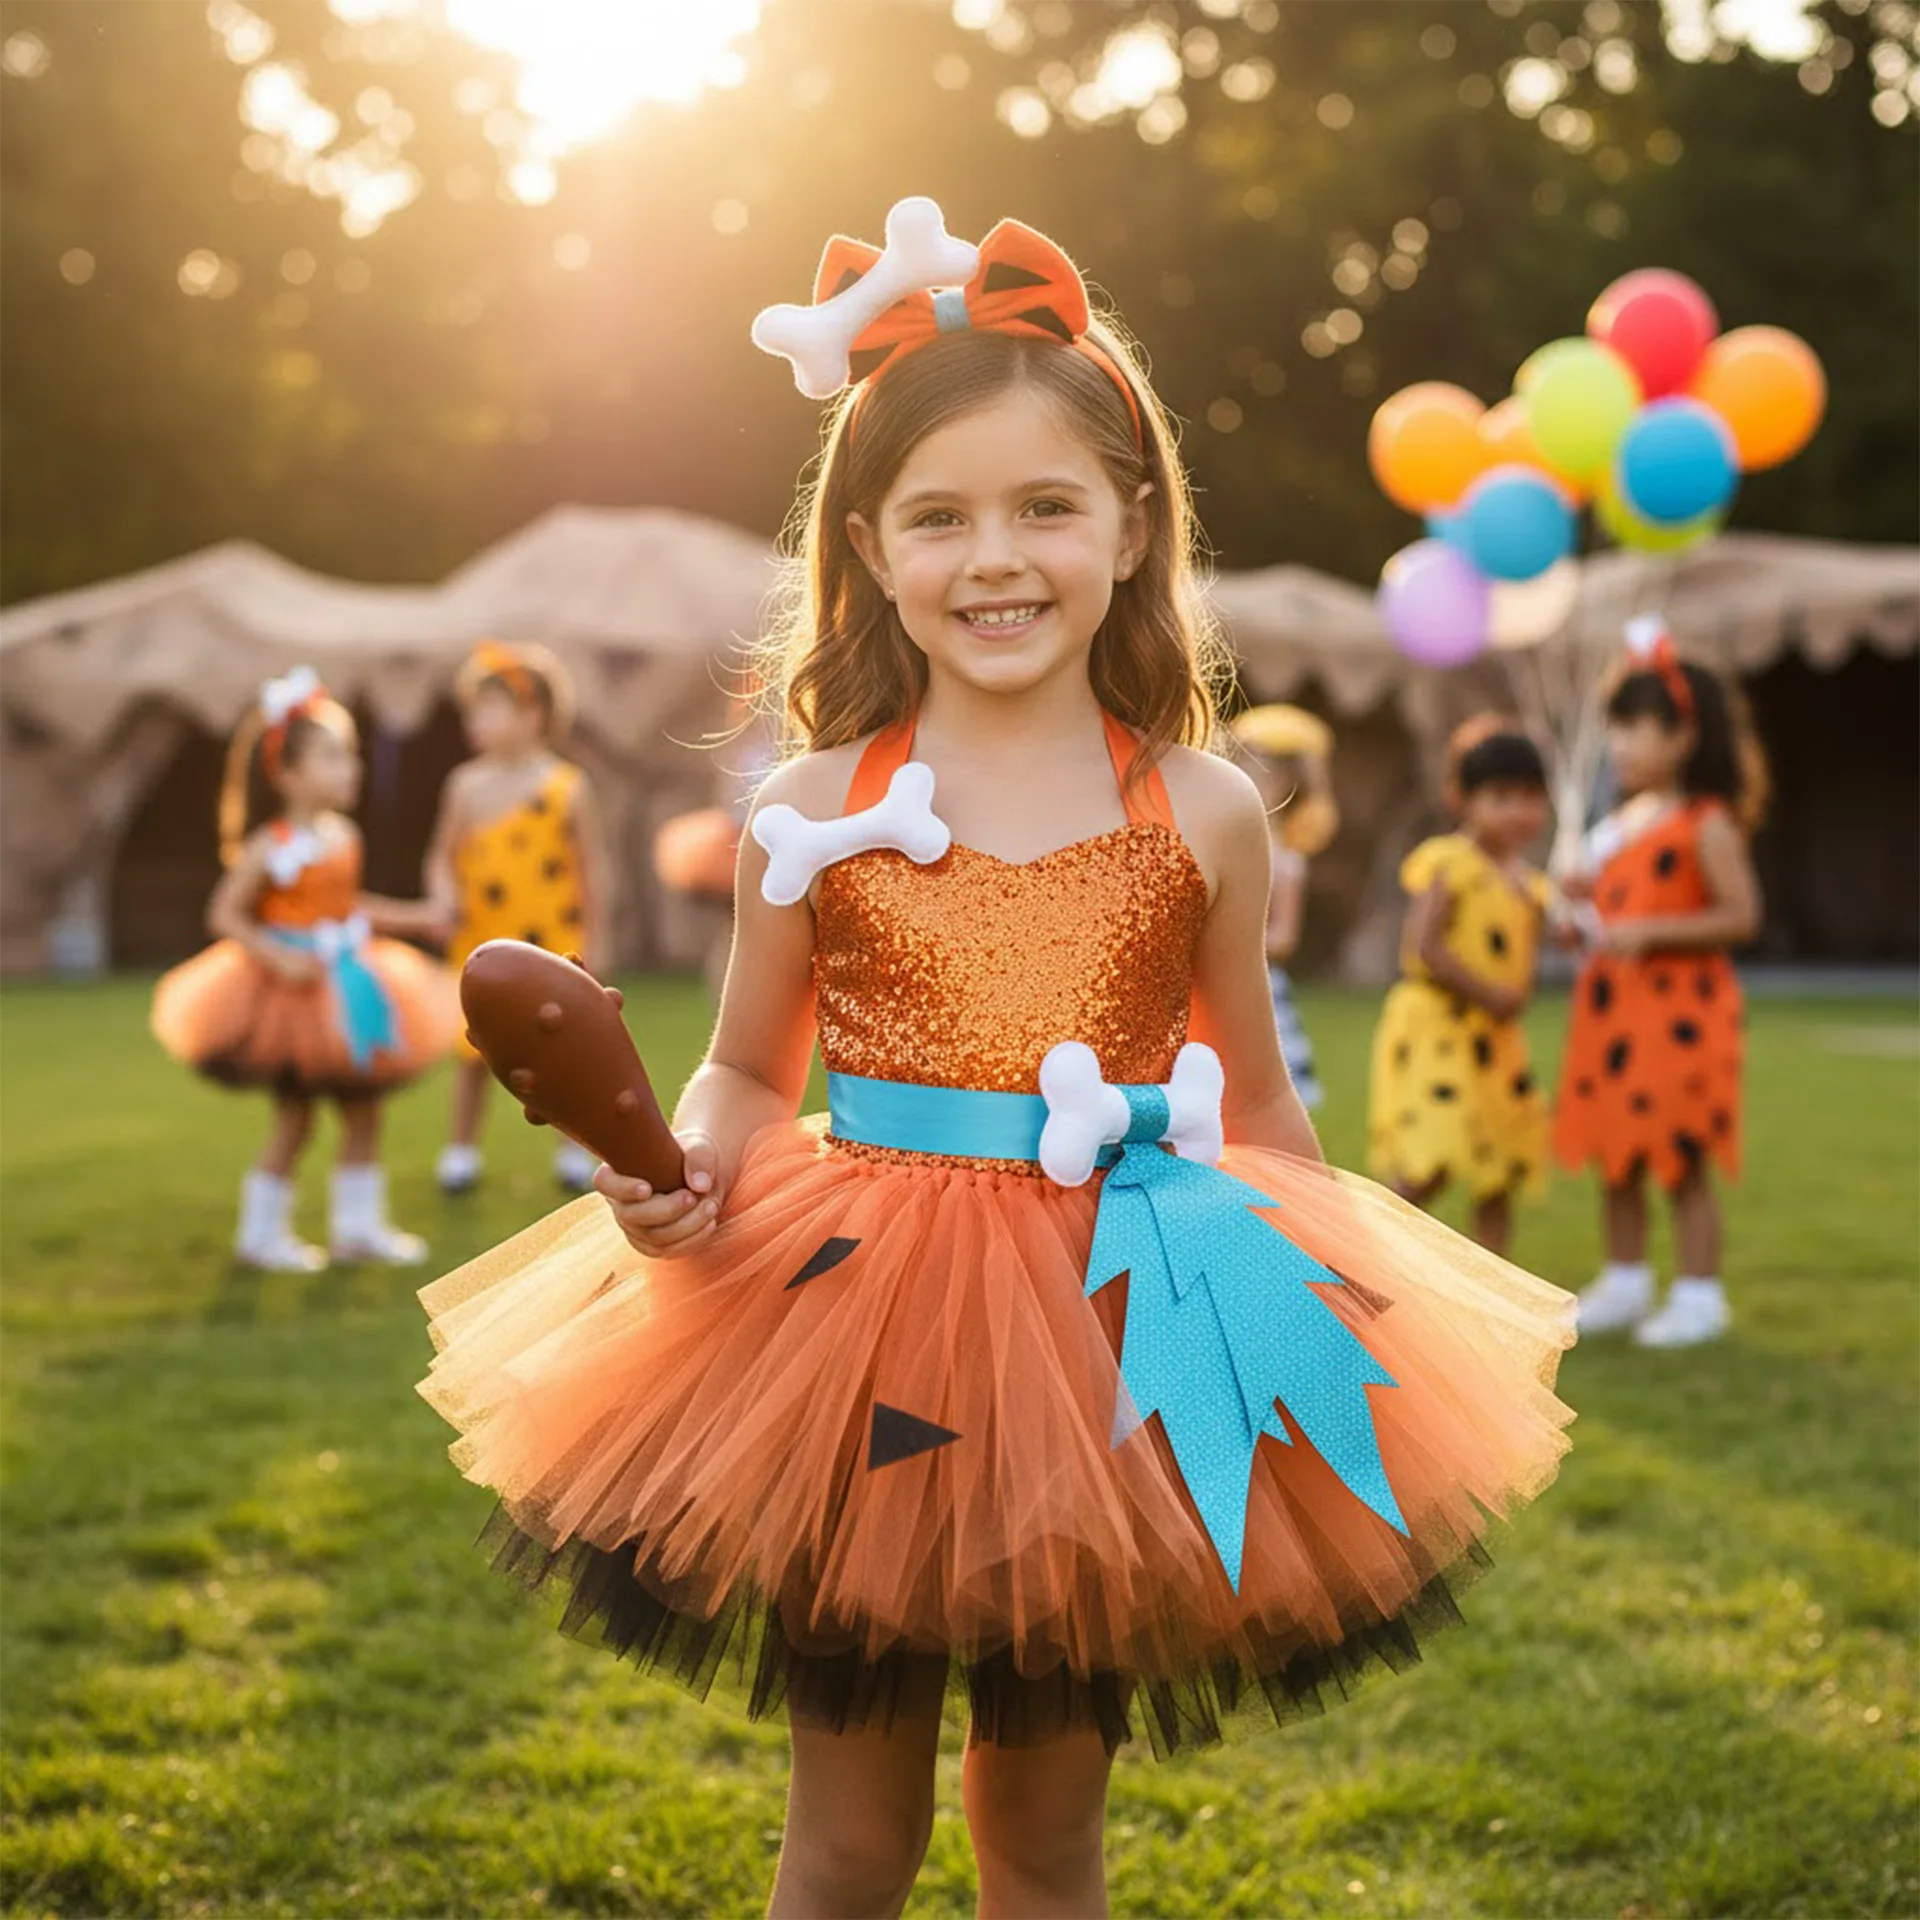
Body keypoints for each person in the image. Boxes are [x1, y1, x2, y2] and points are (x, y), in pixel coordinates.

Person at [416, 202, 1575, 1919]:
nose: (997, 558)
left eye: (1047, 506)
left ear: (1132, 524)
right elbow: (744, 1065)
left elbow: (1257, 1095)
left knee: (1044, 1835)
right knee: (848, 1840)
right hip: (842, 1311)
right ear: (872, 550)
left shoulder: (1205, 812)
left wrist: (1311, 1301)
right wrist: (696, 1162)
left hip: (1113, 1322)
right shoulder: (810, 815)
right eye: (941, 518)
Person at [152, 667, 459, 1269]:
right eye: (334, 757)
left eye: (351, 756)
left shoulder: (344, 836)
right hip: (291, 999)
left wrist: (419, 919)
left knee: (365, 1112)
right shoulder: (272, 846)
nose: (352, 768)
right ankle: (261, 1236)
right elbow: (225, 913)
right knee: (296, 1121)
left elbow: (351, 909)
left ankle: (358, 1230)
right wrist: (276, 956)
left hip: (351, 986)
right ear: (287, 773)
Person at [1557, 617, 1765, 1348]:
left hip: (1681, 1013)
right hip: (1616, 1015)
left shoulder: (1704, 822)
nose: (1621, 746)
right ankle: (1625, 1277)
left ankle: (1701, 1294)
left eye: (1639, 729)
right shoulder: (1619, 824)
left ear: (1686, 737)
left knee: (1681, 1153)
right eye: (1618, 730)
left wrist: (1653, 932)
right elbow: (1605, 910)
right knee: (1619, 1149)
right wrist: (1577, 913)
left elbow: (1742, 915)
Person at [425, 640, 610, 1196]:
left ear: (532, 716)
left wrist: (599, 937)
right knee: (472, 1047)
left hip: (552, 934)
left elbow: (592, 869)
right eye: (472, 712)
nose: (475, 723)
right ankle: (461, 1148)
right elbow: (441, 855)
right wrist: (440, 896)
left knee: (561, 1049)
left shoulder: (567, 787)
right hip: (482, 932)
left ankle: (572, 1148)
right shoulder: (465, 785)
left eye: (489, 709)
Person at [1368, 718, 1557, 1257]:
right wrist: (1489, 993)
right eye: (1501, 797)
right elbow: (1424, 947)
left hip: (1494, 1043)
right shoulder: (1449, 864)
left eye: (1530, 797)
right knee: (1433, 1156)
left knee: (1497, 1169)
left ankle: (1491, 1288)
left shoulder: (1529, 883)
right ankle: (1367, 1259)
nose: (1519, 812)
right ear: (1462, 799)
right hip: (1442, 1031)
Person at [1228, 703, 1335, 1110]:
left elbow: (1284, 938)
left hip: (1259, 988)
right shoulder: (1227, 841)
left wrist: (1229, 943)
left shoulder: (1286, 859)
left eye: (1267, 770)